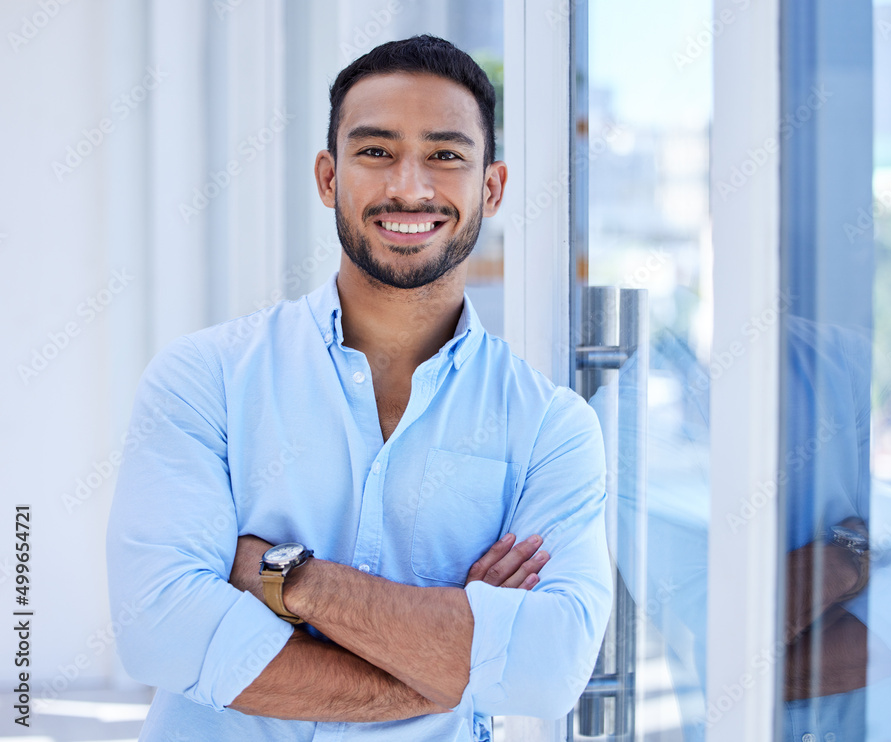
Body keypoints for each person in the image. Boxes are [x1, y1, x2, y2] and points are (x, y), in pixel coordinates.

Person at [106, 35, 613, 741]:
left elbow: (550, 669)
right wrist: (450, 661)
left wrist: (282, 576)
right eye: (376, 151)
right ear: (327, 177)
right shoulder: (205, 379)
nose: (410, 187)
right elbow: (160, 629)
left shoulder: (550, 427)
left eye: (446, 155)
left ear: (490, 187)